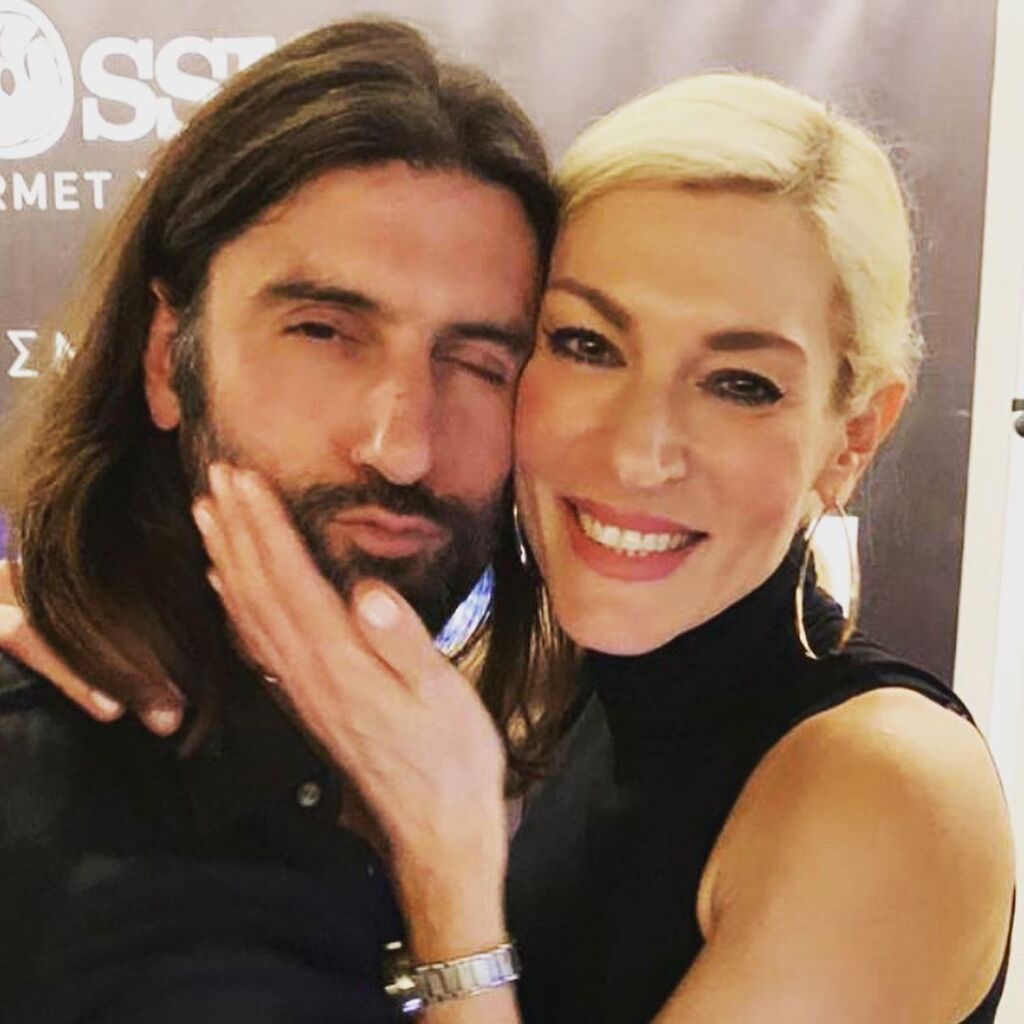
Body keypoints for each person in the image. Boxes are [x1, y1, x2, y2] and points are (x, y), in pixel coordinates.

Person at [1, 56, 1014, 1024]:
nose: (637, 454)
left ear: (852, 438)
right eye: (586, 344)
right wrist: (80, 600)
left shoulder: (885, 792)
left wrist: (451, 892)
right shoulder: (533, 691)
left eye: (741, 384)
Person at [0, 16, 561, 1021]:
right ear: (167, 357)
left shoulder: (565, 748)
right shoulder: (36, 790)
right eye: (323, 332)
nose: (402, 446)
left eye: (479, 362)